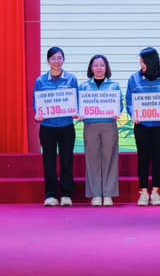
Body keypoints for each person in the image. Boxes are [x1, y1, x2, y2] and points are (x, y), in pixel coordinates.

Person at [127, 47, 160, 206]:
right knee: (143, 158)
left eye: (143, 61)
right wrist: (133, 114)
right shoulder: (134, 79)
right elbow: (129, 102)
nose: (141, 64)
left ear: (151, 62)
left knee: (157, 158)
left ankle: (155, 191)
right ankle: (143, 191)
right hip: (141, 125)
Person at [33, 47, 79, 207]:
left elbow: (76, 100)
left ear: (63, 60)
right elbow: (37, 103)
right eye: (53, 58)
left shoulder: (71, 79)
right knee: (49, 161)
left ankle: (66, 194)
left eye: (59, 58)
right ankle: (51, 195)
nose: (57, 61)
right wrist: (38, 113)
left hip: (66, 126)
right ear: (48, 61)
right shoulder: (40, 81)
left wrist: (76, 111)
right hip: (48, 127)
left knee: (67, 160)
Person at [80, 55, 122, 206]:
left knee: (110, 158)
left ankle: (108, 194)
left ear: (106, 68)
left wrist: (117, 111)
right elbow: (78, 105)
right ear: (91, 68)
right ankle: (96, 194)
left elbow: (120, 105)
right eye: (96, 65)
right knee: (92, 159)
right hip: (90, 125)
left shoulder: (114, 86)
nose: (99, 68)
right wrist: (79, 112)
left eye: (102, 65)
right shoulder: (84, 87)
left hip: (109, 125)